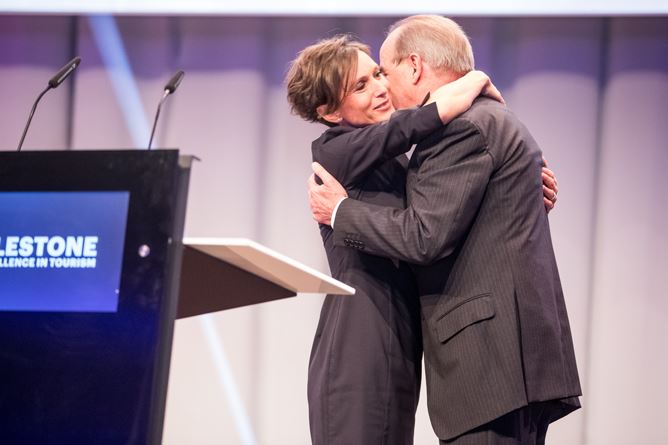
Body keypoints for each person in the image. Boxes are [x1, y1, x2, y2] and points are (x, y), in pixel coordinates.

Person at [307, 16, 581, 445]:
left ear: (414, 67)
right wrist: (471, 88)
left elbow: (424, 233)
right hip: (365, 344)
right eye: (362, 84)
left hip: (485, 364)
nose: (381, 87)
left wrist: (342, 212)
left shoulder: (462, 128)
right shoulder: (338, 149)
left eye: (381, 73)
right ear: (328, 111)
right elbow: (410, 138)